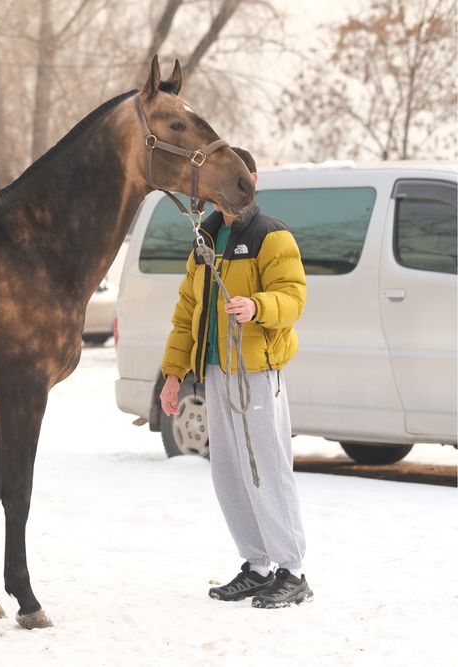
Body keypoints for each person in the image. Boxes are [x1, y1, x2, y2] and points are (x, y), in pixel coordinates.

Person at [159, 147, 312, 608]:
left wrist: (257, 307)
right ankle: (258, 565)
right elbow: (188, 310)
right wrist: (173, 374)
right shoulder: (205, 236)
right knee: (228, 473)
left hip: (257, 374)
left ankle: (293, 571)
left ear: (252, 180)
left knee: (266, 469)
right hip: (214, 371)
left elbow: (294, 297)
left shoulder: (271, 236)